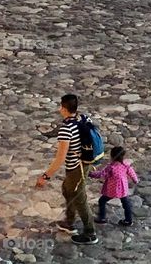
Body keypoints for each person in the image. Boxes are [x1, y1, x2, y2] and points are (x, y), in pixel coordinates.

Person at [35, 94, 98, 245]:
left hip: (76, 167)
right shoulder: (83, 118)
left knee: (79, 197)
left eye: (60, 107)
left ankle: (90, 233)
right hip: (85, 162)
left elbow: (60, 158)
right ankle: (69, 221)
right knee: (67, 189)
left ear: (64, 109)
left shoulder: (66, 129)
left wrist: (45, 176)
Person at [89, 146, 139, 226]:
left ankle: (102, 218)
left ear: (112, 156)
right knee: (126, 204)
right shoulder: (126, 165)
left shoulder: (111, 167)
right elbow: (132, 173)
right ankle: (128, 220)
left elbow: (101, 174)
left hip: (112, 190)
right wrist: (135, 180)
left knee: (102, 201)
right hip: (123, 190)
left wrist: (90, 174)